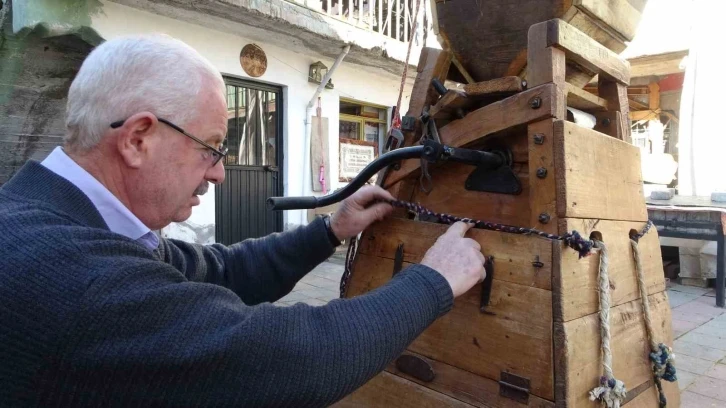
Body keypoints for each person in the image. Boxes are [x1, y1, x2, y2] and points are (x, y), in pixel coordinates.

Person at [0, 34, 486, 407]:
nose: (218, 173)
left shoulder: (79, 223)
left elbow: (222, 271)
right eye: (211, 148)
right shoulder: (71, 274)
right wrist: (434, 281)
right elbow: (287, 359)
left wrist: (329, 231)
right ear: (137, 139)